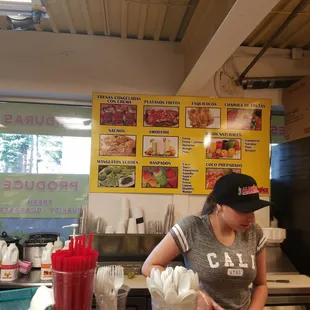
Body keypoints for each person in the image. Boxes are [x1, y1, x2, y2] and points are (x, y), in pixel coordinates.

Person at [142, 173, 271, 310]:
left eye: (253, 210)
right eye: (244, 211)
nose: (252, 219)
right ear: (220, 206)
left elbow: (261, 285)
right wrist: (194, 294)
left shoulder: (254, 233)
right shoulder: (192, 228)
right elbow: (149, 266)